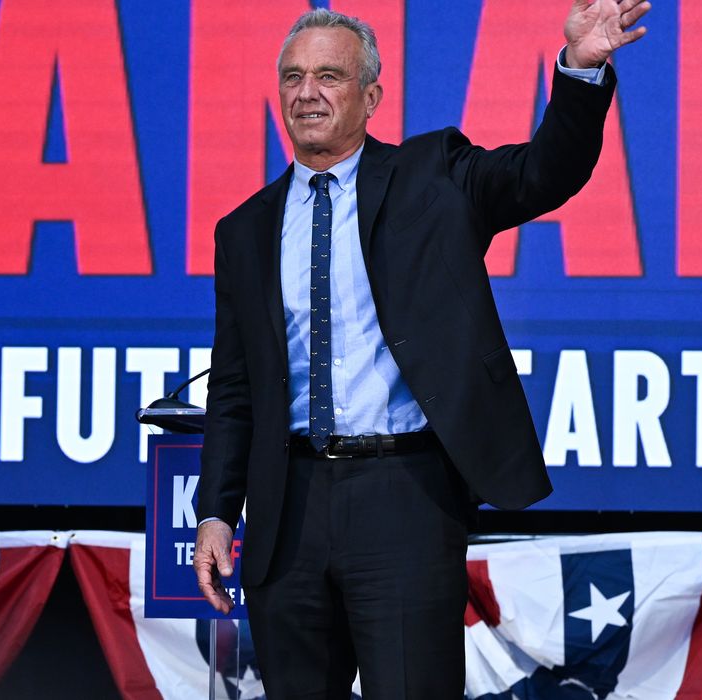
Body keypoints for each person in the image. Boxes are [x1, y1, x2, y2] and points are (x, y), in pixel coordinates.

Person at [193, 1, 649, 697]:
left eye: (327, 76)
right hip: (286, 508)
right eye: (291, 77)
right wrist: (216, 510)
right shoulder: (244, 229)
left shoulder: (434, 176)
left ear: (370, 96)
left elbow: (543, 173)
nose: (305, 93)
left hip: (402, 497)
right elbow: (233, 386)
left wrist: (579, 71)